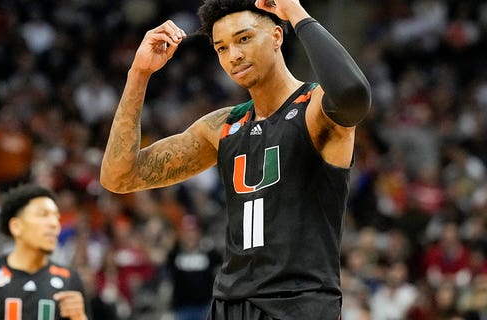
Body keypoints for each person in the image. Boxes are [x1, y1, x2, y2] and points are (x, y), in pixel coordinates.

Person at [100, 0, 371, 318]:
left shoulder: (316, 110)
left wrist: (295, 12)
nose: (234, 56)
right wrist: (139, 73)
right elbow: (118, 176)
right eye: (222, 48)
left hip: (300, 303)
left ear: (276, 36)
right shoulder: (222, 126)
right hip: (229, 304)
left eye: (244, 39)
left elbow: (353, 94)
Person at [0, 184, 91, 320]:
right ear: (16, 226)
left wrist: (80, 317)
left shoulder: (69, 279)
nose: (54, 224)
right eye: (43, 215)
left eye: (56, 216)